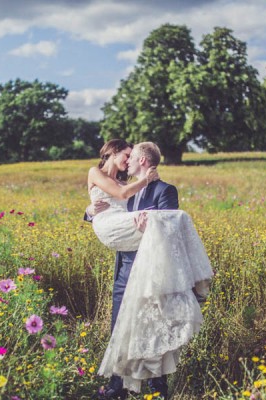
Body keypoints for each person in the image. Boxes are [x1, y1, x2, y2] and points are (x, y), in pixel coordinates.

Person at [85, 140, 213, 399]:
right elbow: (110, 211)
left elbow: (171, 230)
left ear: (142, 161)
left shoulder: (165, 190)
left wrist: (150, 230)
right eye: (126, 155)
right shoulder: (126, 188)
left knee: (153, 328)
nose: (128, 161)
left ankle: (157, 389)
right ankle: (117, 386)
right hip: (125, 268)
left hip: (152, 272)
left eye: (132, 157)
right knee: (119, 326)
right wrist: (88, 213)